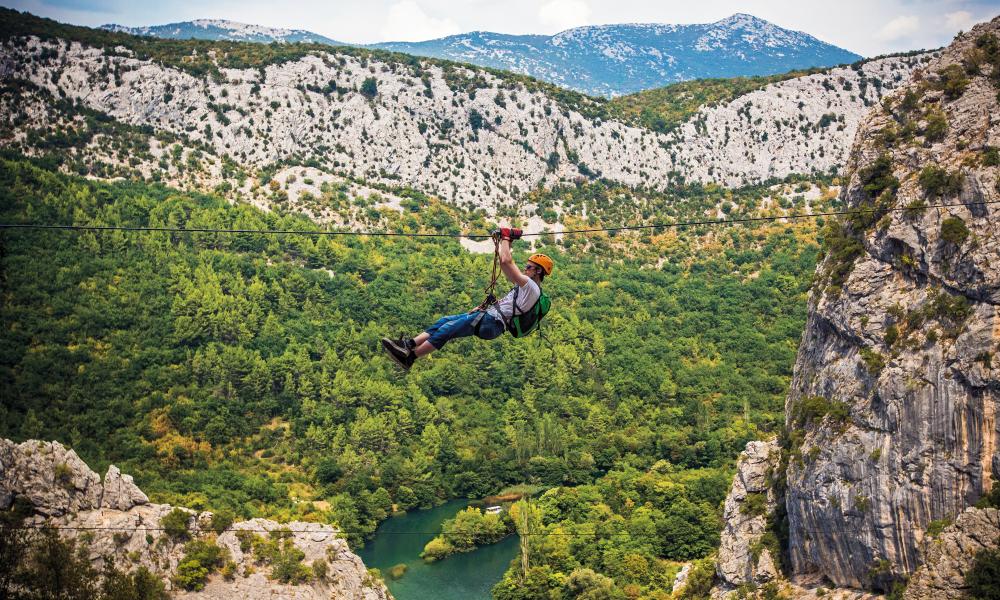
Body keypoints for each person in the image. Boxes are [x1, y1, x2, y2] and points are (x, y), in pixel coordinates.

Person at [381, 227, 553, 370]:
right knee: (445, 321)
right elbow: (505, 270)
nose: (525, 269)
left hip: (492, 322)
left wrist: (506, 238)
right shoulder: (527, 289)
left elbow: (506, 262)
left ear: (538, 271)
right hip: (491, 320)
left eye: (529, 267)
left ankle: (410, 357)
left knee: (448, 329)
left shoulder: (531, 287)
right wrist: (484, 308)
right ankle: (409, 344)